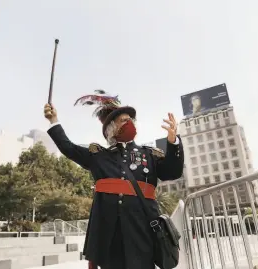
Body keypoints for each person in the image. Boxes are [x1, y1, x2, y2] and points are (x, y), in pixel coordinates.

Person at [44, 90, 184, 269]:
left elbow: (172, 172)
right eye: (124, 120)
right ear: (112, 128)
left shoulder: (149, 155)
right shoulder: (98, 156)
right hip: (108, 231)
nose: (130, 123)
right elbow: (68, 147)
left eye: (131, 120)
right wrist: (54, 121)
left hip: (143, 229)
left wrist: (173, 143)